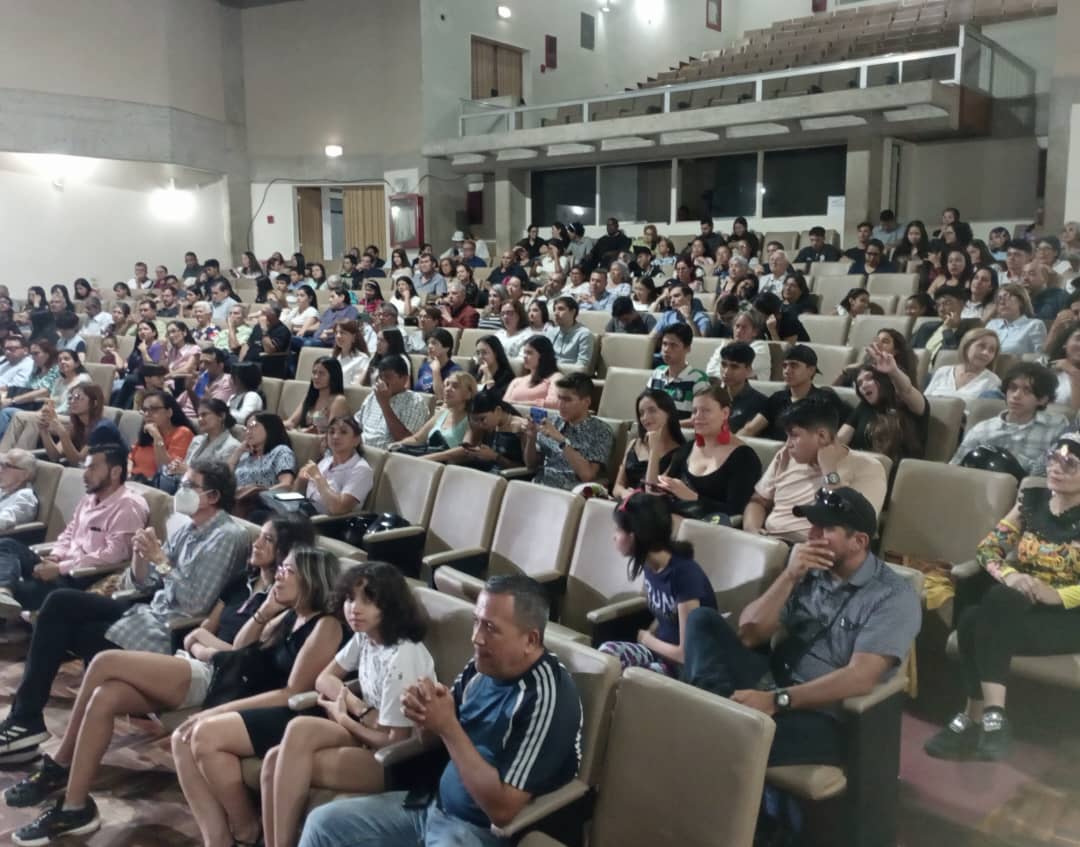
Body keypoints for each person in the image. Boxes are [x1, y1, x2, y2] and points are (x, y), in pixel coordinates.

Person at [298, 574, 582, 847]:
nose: (477, 638)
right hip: (431, 805)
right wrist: (424, 713)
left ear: (530, 640)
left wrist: (447, 726)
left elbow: (503, 810)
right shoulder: (482, 665)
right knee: (322, 825)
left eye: (491, 628)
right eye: (476, 622)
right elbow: (435, 737)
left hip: (477, 831)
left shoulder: (547, 696)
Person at [0, 461, 250, 760]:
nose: (181, 491)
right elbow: (144, 583)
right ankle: (26, 719)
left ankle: (27, 722)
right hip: (145, 612)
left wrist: (160, 560)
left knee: (64, 626)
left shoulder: (227, 536)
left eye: (189, 486)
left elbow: (194, 604)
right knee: (59, 603)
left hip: (169, 633)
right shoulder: (188, 529)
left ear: (213, 496)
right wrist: (141, 556)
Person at [684, 487, 921, 766]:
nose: (812, 535)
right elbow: (749, 635)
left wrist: (777, 701)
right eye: (813, 525)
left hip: (821, 715)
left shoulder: (893, 597)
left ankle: (710, 719)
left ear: (858, 541)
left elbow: (860, 677)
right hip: (771, 679)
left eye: (825, 528)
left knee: (723, 737)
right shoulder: (809, 569)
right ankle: (712, 710)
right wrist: (789, 576)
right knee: (702, 620)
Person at [172, 546, 343, 847]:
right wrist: (265, 612)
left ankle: (247, 830)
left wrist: (217, 712)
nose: (279, 575)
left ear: (311, 580)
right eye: (281, 568)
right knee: (181, 738)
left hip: (297, 712)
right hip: (267, 701)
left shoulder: (326, 625)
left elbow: (294, 692)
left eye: (288, 571)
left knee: (205, 735)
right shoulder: (290, 615)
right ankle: (217, 838)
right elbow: (241, 649)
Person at [925, 434, 1080, 762]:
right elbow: (988, 549)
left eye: (1070, 464)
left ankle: (973, 717)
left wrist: (1058, 595)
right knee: (987, 608)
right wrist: (1011, 575)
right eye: (1053, 458)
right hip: (1021, 608)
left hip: (1070, 615)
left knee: (973, 623)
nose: (1056, 468)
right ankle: (995, 718)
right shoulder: (1031, 501)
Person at [259, 561, 434, 847]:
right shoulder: (366, 637)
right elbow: (324, 679)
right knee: (281, 748)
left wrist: (344, 719)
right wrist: (358, 708)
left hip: (398, 761)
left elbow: (394, 741)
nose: (354, 608)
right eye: (350, 598)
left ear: (390, 605)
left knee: (281, 761)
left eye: (368, 600)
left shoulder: (403, 655)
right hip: (367, 733)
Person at [0, 444, 147, 618]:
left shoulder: (128, 506)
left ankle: (6, 596)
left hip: (80, 577)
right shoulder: (89, 499)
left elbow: (114, 555)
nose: (85, 475)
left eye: (92, 468)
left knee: (20, 590)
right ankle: (3, 591)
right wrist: (55, 556)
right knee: (7, 545)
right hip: (61, 565)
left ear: (115, 472)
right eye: (85, 467)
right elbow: (69, 533)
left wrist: (60, 568)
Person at [598, 493, 717, 674]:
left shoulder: (684, 575)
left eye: (619, 530)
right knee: (606, 655)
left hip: (685, 669)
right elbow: (664, 616)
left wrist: (647, 640)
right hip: (660, 652)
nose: (614, 537)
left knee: (635, 676)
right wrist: (650, 635)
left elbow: (686, 654)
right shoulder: (649, 565)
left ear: (635, 535)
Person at [744, 399, 888, 543]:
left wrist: (829, 469)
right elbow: (759, 500)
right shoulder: (785, 455)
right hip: (768, 542)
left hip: (816, 549)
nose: (788, 444)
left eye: (794, 436)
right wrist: (752, 531)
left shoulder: (868, 467)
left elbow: (858, 527)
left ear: (822, 436)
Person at [649, 381, 761, 521]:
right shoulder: (687, 448)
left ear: (725, 413)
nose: (697, 416)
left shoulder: (744, 458)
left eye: (706, 411)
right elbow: (661, 490)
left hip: (708, 526)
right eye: (694, 411)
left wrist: (693, 497)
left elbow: (736, 510)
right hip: (670, 518)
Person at [951, 362, 1070, 477]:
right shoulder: (982, 429)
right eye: (1013, 388)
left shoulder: (1056, 427)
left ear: (1042, 399)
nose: (1016, 395)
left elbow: (1061, 471)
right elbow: (954, 469)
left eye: (1027, 390)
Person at [837, 343, 929, 467]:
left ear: (883, 379)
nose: (863, 385)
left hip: (897, 474)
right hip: (859, 469)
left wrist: (893, 372)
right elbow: (840, 439)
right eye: (859, 383)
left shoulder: (909, 405)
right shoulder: (864, 407)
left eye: (869, 378)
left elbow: (906, 390)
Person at [740, 345, 850, 441]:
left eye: (794, 365)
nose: (787, 371)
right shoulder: (777, 398)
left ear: (811, 370)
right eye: (784, 366)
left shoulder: (825, 400)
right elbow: (750, 429)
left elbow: (836, 438)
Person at [525, 373, 613, 490]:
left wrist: (561, 440)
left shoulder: (601, 431)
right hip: (540, 485)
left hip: (570, 492)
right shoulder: (552, 422)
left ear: (586, 402)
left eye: (567, 400)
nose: (560, 405)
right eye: (559, 398)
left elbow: (587, 475)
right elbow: (531, 465)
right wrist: (531, 438)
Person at [293, 416, 373, 517]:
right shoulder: (325, 461)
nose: (335, 436)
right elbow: (296, 496)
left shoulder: (362, 470)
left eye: (343, 432)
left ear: (356, 440)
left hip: (328, 522)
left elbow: (338, 508)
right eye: (331, 432)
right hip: (304, 511)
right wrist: (300, 480)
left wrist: (318, 478)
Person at [612, 389, 685, 500]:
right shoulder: (634, 444)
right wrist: (625, 493)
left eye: (652, 410)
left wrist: (654, 449)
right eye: (641, 413)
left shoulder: (680, 452)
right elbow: (617, 487)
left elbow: (652, 491)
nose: (645, 418)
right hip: (626, 503)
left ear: (668, 413)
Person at [354, 355, 431, 449]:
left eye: (388, 377)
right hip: (360, 449)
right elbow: (356, 424)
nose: (382, 381)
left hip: (386, 453)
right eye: (380, 377)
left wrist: (384, 404)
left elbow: (407, 440)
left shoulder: (415, 401)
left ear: (404, 379)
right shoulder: (374, 395)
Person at [393, 372, 477, 454]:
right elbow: (417, 439)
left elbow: (464, 452)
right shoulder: (441, 414)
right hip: (426, 456)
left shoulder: (472, 420)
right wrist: (398, 444)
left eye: (455, 386)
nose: (447, 389)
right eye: (447, 385)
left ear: (468, 394)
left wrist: (425, 458)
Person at [39, 384, 123, 466]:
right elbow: (54, 456)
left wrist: (62, 433)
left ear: (94, 403)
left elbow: (79, 463)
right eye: (70, 398)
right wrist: (44, 431)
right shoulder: (76, 426)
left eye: (78, 397)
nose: (72, 401)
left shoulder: (103, 429)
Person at [231, 413, 297, 512]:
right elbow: (224, 477)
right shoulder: (246, 455)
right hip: (235, 502)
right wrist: (238, 451)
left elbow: (286, 485)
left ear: (270, 427)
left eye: (253, 426)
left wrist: (254, 494)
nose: (248, 432)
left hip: (262, 507)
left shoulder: (281, 451)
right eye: (246, 428)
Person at [128, 389, 195, 484]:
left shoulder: (182, 433)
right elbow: (130, 457)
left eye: (154, 409)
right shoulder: (146, 434)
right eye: (145, 410)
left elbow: (166, 469)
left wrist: (157, 437)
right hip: (133, 481)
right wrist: (128, 472)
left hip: (154, 486)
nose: (147, 414)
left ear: (169, 412)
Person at [647, 324, 709, 420]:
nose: (666, 350)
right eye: (664, 344)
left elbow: (700, 418)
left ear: (687, 348)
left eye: (673, 345)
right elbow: (646, 407)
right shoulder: (657, 373)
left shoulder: (698, 379)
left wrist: (668, 426)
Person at [924, 328, 1002, 402]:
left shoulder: (993, 381)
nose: (986, 353)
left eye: (992, 350)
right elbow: (925, 401)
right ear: (966, 346)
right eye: (981, 346)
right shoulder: (943, 371)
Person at [709, 342, 768, 435]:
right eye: (724, 365)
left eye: (734, 367)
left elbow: (747, 434)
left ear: (748, 370)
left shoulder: (759, 402)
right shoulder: (711, 395)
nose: (726, 372)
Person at [284, 357, 350, 434]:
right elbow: (292, 422)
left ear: (333, 376)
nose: (316, 377)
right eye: (314, 372)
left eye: (321, 373)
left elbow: (333, 432)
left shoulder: (338, 400)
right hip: (302, 437)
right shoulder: (310, 396)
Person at [707, 311, 771, 382]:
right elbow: (710, 371)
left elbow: (737, 374)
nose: (739, 330)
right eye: (737, 326)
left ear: (754, 332)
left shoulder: (760, 348)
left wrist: (719, 376)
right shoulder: (726, 345)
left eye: (744, 327)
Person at [986, 283, 1048, 356]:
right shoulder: (992, 324)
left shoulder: (1034, 325)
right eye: (999, 298)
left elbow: (1040, 357)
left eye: (1006, 296)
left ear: (1021, 301)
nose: (1002, 302)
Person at [544, 296, 595, 368]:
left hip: (571, 373)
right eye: (555, 309)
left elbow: (582, 365)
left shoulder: (584, 334)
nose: (556, 313)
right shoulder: (551, 332)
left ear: (573, 312)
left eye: (561, 309)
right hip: (550, 371)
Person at [414, 328, 460, 401]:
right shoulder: (424, 367)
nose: (429, 346)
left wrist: (436, 372)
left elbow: (442, 397)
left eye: (434, 343)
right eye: (428, 343)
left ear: (446, 348)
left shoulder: (455, 371)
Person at [0, 450, 37, 539]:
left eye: (6, 466)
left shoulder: (25, 497)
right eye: (1, 465)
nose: (0, 470)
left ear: (25, 475)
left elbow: (3, 520)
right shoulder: (4, 490)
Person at [1047, 320, 1080, 411]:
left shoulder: (1073, 373)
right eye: (1078, 338)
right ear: (1065, 343)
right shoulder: (1046, 367)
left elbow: (1077, 415)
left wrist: (1074, 373)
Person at [469, 335, 514, 401]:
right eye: (478, 353)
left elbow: (496, 399)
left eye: (484, 353)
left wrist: (488, 375)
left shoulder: (506, 377)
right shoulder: (474, 371)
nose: (480, 357)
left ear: (496, 354)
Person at [229, 362, 266, 426]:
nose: (229, 380)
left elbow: (244, 418)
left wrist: (221, 412)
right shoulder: (233, 396)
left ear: (238, 380)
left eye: (231, 377)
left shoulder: (252, 396)